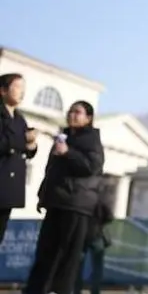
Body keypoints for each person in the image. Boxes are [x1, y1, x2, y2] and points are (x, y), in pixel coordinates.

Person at [24, 100, 105, 294]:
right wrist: (43, 195)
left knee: (68, 256)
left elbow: (91, 167)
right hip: (56, 202)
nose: (72, 115)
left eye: (78, 112)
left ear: (89, 118)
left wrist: (69, 153)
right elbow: (52, 171)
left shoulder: (91, 139)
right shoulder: (63, 137)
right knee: (45, 253)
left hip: (76, 205)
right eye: (70, 111)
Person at [0, 73, 38, 244]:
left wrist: (31, 145)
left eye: (23, 88)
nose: (21, 92)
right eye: (17, 87)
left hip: (9, 187)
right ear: (3, 90)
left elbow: (26, 151)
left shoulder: (20, 118)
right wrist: (22, 140)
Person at [74, 175, 118, 294]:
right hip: (97, 234)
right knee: (97, 267)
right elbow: (109, 216)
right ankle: (95, 291)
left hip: (81, 234)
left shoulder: (82, 197)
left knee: (78, 267)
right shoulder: (100, 200)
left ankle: (76, 290)